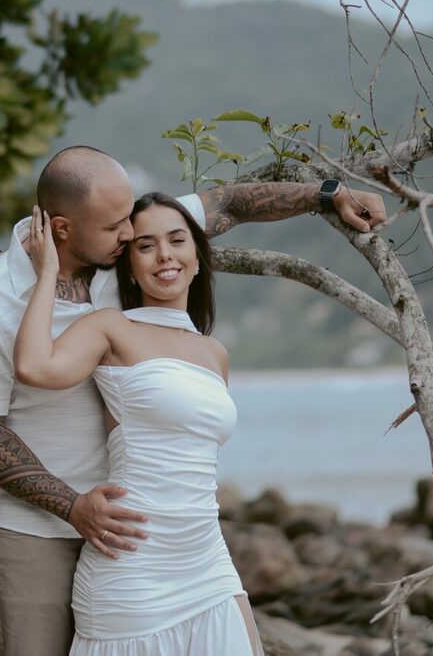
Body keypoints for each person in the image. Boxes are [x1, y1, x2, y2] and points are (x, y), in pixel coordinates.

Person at [0, 146, 385, 656]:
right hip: (29, 533)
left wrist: (328, 195)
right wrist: (72, 507)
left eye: (134, 225)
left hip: (138, 531)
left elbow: (232, 204)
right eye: (118, 230)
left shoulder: (120, 244)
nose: (132, 236)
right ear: (63, 229)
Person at [15, 192, 261, 654]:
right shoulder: (111, 327)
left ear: (196, 257)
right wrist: (48, 271)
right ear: (129, 265)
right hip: (133, 563)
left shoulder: (215, 353)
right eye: (146, 245)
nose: (165, 254)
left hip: (207, 559)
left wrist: (329, 196)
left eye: (177, 240)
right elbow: (34, 366)